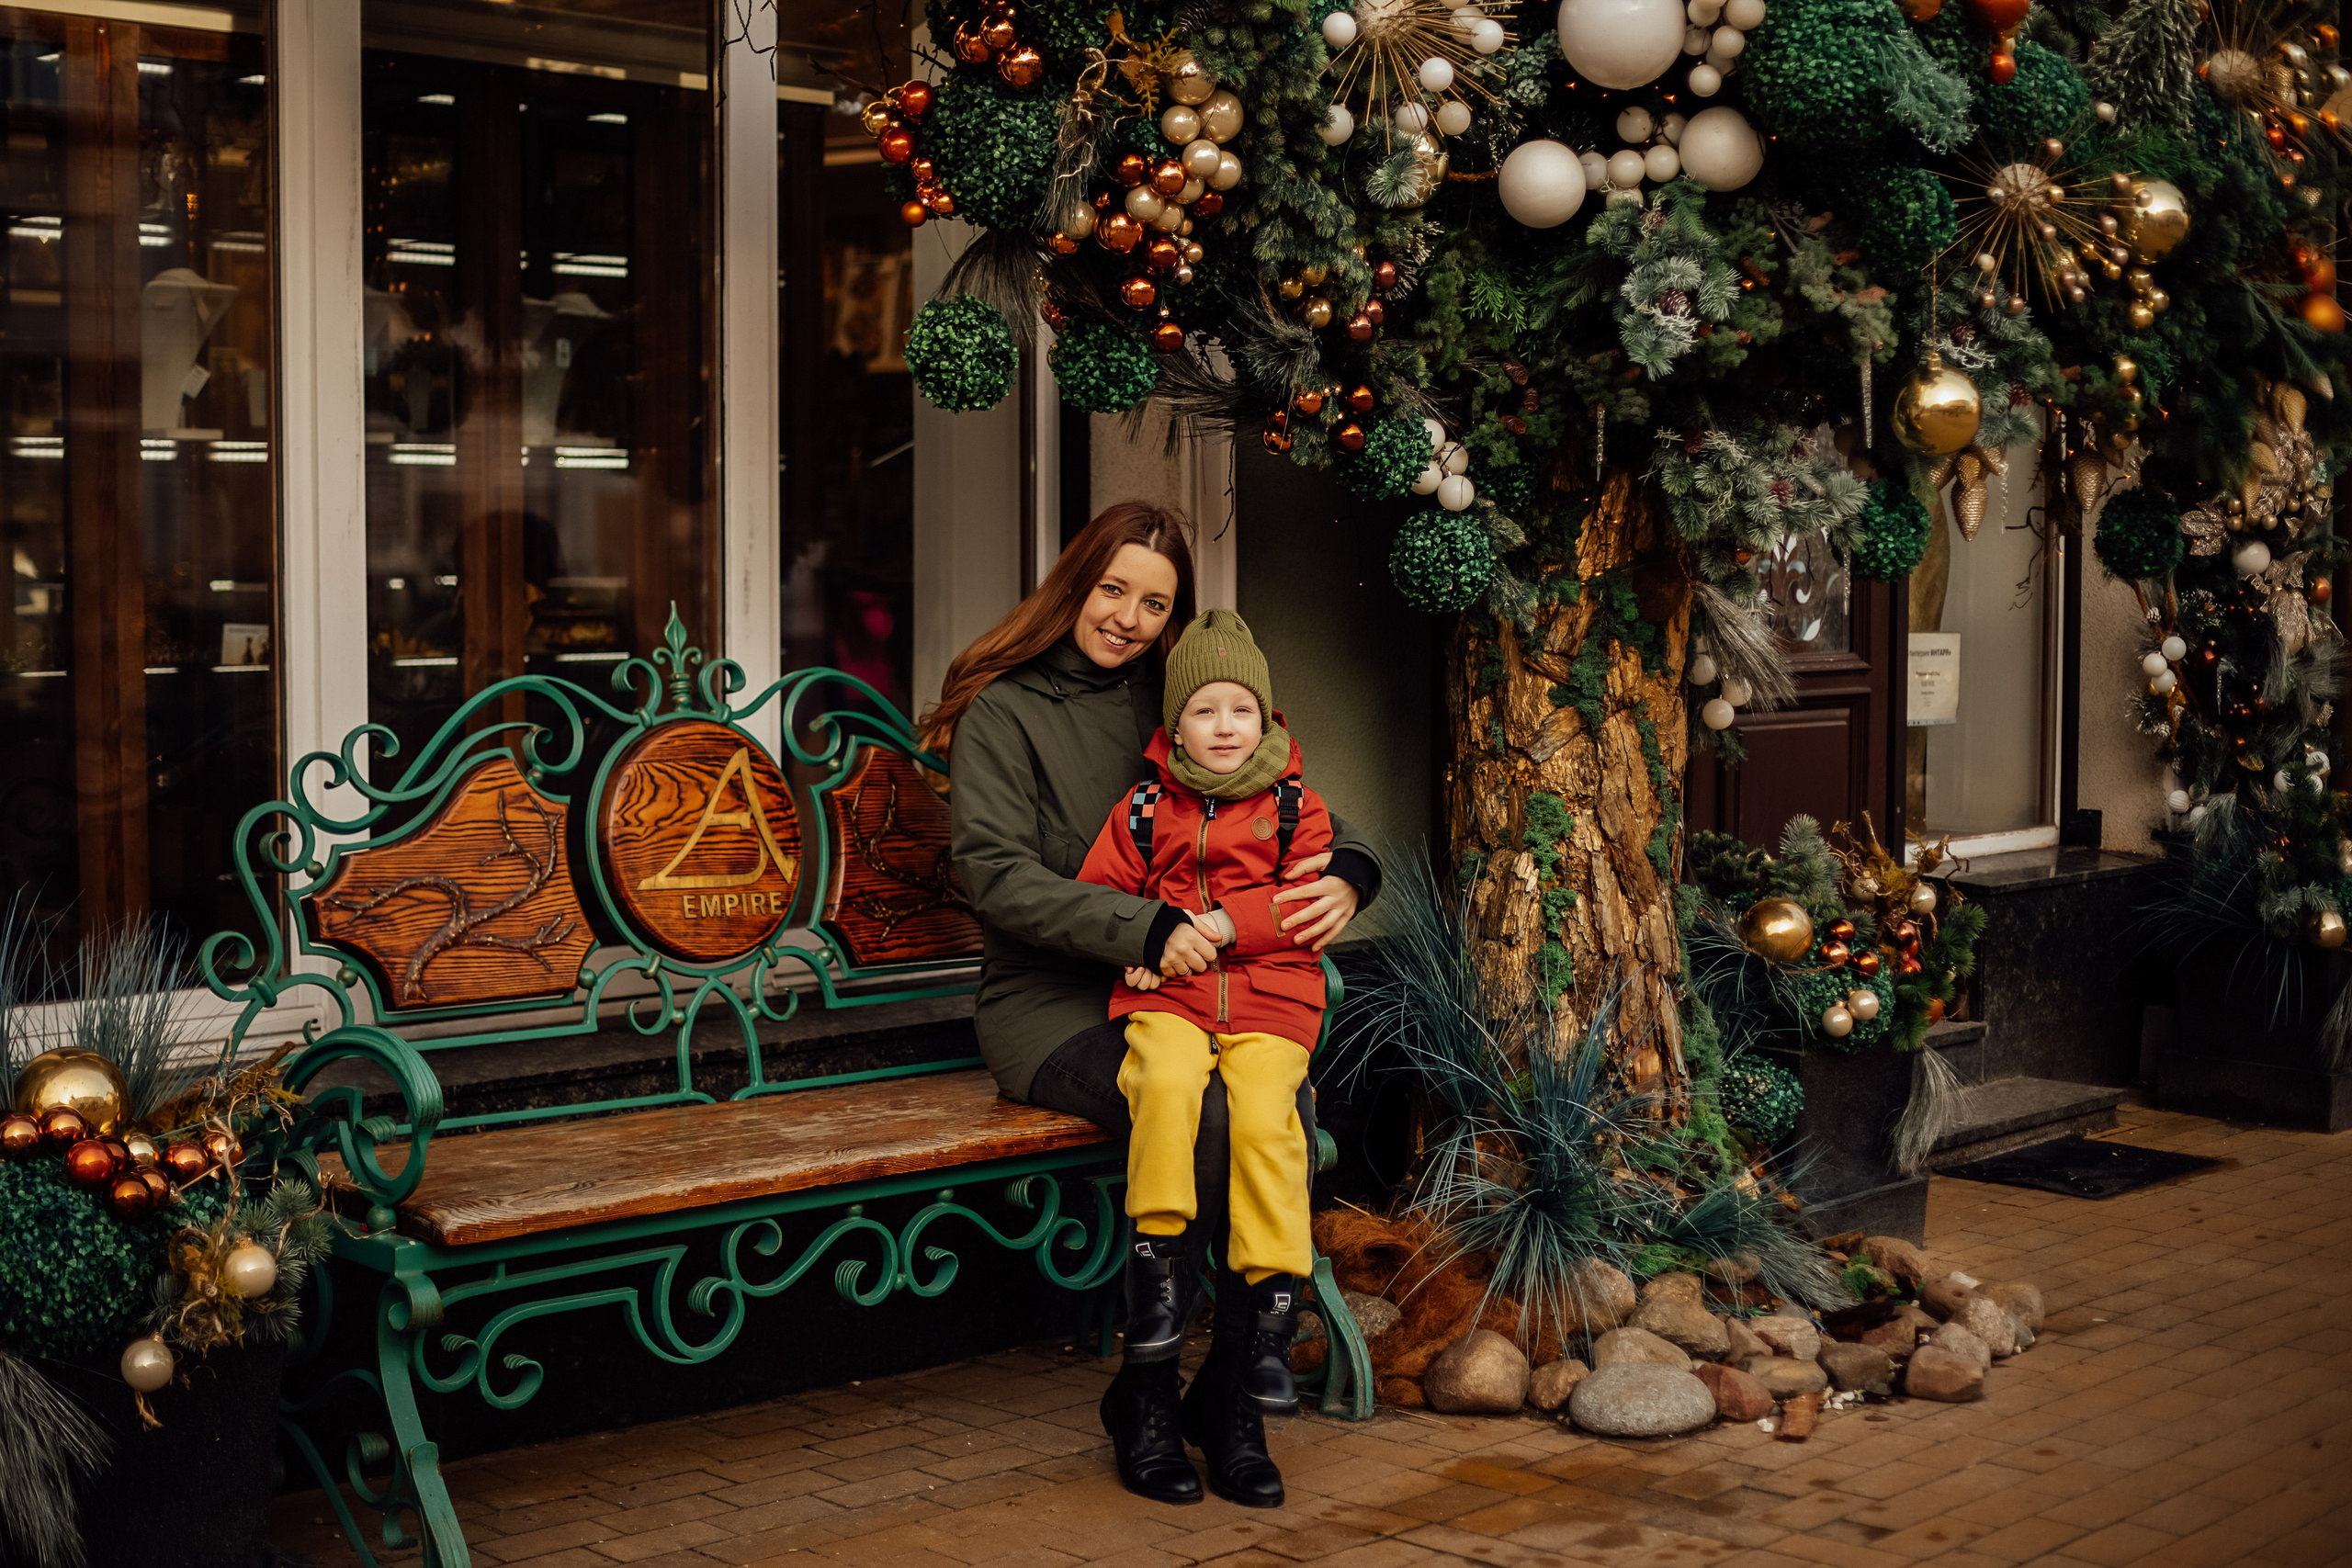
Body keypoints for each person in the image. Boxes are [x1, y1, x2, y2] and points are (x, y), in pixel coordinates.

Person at [934, 503, 1379, 1509]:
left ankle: (1227, 1398)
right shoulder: (1006, 711)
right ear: (1075, 581)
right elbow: (995, 877)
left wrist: (1352, 872)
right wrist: (1139, 931)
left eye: (1155, 603)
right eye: (1114, 590)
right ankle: (1146, 1391)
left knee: (1280, 1107)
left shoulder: (1175, 699)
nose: (1129, 618)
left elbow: (1301, 814)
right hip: (1053, 1004)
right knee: (1214, 1120)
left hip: (1199, 992)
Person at [1075, 607, 1330, 1465]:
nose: (1225, 727)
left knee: (1266, 1119)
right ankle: (1156, 1274)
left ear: (1267, 717)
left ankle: (1268, 1313)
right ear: (1174, 723)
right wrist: (1142, 941)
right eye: (1205, 711)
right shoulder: (1146, 805)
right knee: (1166, 1086)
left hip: (1270, 998)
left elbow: (1302, 906)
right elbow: (1102, 894)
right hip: (1174, 1002)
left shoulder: (1296, 806)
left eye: (1241, 711)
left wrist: (1219, 924)